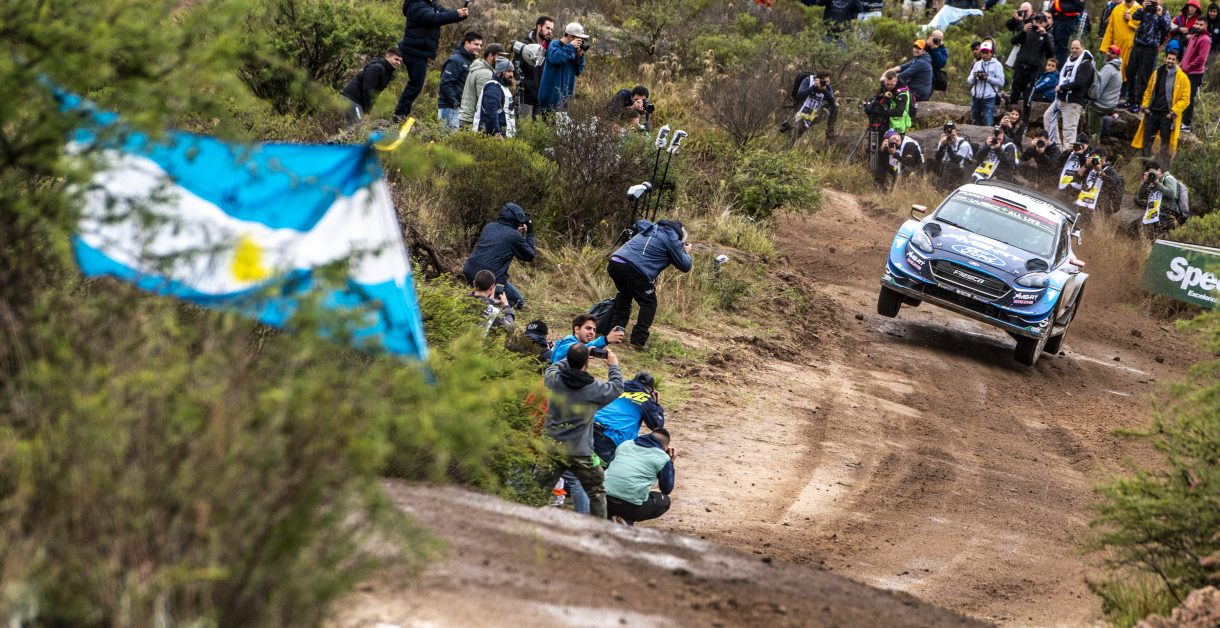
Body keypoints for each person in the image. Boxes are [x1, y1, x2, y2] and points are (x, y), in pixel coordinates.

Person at [539, 344, 624, 519]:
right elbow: (617, 387)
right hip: (581, 452)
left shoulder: (554, 381)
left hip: (552, 448)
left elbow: (552, 368)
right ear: (586, 362)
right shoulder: (595, 389)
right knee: (597, 492)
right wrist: (613, 365)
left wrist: (574, 357)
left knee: (537, 488)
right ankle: (598, 527)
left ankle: (520, 520)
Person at [606, 219, 693, 349]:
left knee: (625, 295)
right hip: (635, 269)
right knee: (649, 303)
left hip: (616, 262)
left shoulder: (651, 228)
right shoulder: (672, 238)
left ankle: (615, 332)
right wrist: (684, 251)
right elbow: (685, 266)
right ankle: (638, 340)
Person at [392, 0, 469, 121]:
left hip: (419, 52)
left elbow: (444, 14)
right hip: (413, 51)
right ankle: (399, 113)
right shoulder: (416, 4)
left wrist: (460, 15)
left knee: (416, 83)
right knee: (416, 84)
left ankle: (402, 113)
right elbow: (433, 18)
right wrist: (456, 14)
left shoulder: (431, 5)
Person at [462, 202, 536, 309]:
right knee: (519, 302)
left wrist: (515, 231)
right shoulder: (513, 235)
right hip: (490, 279)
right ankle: (492, 300)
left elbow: (502, 237)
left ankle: (479, 296)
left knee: (490, 281)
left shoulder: (489, 226)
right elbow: (530, 255)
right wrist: (530, 233)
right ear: (517, 220)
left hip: (470, 272)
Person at [1132, 48, 1191, 166]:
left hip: (1167, 116)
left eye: (1173, 59)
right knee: (1146, 142)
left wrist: (1172, 112)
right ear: (1165, 58)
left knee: (1165, 146)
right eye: (1169, 58)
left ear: (1177, 61)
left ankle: (1163, 169)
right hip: (1152, 113)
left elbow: (1185, 99)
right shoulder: (1157, 73)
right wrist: (1145, 106)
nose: (1170, 61)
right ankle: (1145, 168)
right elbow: (1148, 91)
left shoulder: (1183, 78)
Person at [605, 428, 676, 525]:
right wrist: (670, 462)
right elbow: (666, 489)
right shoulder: (663, 458)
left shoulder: (625, 444)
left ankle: (607, 517)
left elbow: (609, 466)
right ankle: (627, 519)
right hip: (630, 505)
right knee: (665, 501)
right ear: (666, 447)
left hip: (603, 497)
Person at [592, 371, 665, 463]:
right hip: (610, 437)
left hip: (587, 427)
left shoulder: (617, 389)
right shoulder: (646, 399)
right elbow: (657, 425)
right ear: (650, 390)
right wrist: (656, 405)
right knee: (607, 469)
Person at [1044, 40, 1095, 151]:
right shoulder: (1069, 61)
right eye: (1072, 48)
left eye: (1077, 48)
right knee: (1048, 117)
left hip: (1074, 101)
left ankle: (1067, 155)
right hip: (1061, 98)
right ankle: (1056, 148)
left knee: (1069, 131)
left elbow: (1080, 83)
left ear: (1082, 48)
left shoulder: (1086, 64)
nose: (1074, 50)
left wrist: (1062, 87)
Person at [1127, 0, 1173, 114]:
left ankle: (1139, 103)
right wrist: (1143, 9)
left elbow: (1167, 27)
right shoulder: (1145, 9)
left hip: (1151, 48)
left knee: (1145, 76)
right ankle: (1130, 100)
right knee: (1130, 72)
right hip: (1138, 44)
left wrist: (1160, 15)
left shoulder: (1164, 13)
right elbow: (1134, 17)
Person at [339, 46, 403, 126]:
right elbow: (368, 89)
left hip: (358, 101)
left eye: (400, 61)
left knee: (361, 127)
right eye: (396, 59)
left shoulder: (387, 71)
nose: (398, 63)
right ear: (388, 56)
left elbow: (375, 93)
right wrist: (367, 112)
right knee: (359, 128)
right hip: (351, 99)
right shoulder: (376, 68)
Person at [1010, 13, 1056, 115]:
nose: (1038, 24)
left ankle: (1024, 121)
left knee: (1027, 99)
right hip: (1020, 68)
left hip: (1032, 71)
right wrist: (1023, 31)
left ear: (1045, 24)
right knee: (1014, 95)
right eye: (1036, 22)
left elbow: (1051, 53)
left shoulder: (1048, 36)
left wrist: (1044, 35)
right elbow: (1013, 41)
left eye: (1041, 22)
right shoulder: (1027, 31)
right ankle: (1010, 119)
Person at [537, 22, 589, 113]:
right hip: (550, 99)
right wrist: (570, 47)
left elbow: (578, 71)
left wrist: (579, 57)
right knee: (547, 122)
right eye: (579, 39)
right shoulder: (554, 44)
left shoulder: (572, 50)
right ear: (570, 36)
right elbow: (555, 58)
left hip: (564, 100)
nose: (581, 42)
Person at [437, 33, 482, 130]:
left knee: (454, 138)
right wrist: (455, 104)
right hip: (449, 108)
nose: (479, 47)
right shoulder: (456, 60)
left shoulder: (468, 61)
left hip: (458, 109)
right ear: (467, 43)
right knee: (446, 137)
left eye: (480, 45)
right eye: (476, 44)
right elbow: (445, 84)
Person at [1101, 0, 1140, 102]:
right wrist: (1105, 47)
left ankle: (1126, 96)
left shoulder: (1139, 10)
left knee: (1130, 72)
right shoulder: (1117, 9)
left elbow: (1143, 28)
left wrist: (1131, 20)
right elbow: (1110, 29)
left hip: (1133, 48)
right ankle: (1115, 95)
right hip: (1117, 49)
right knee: (1116, 70)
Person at [458, 44, 503, 130]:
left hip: (467, 118)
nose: (502, 60)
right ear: (491, 56)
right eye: (500, 56)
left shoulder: (480, 68)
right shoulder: (485, 74)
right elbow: (485, 102)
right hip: (472, 121)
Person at [516, 16, 553, 120]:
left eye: (551, 29)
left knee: (540, 128)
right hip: (526, 98)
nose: (550, 31)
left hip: (543, 99)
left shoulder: (550, 47)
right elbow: (516, 67)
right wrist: (526, 85)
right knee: (524, 127)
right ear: (539, 27)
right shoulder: (525, 45)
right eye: (547, 28)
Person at [552, 313, 625, 365]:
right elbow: (576, 350)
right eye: (588, 328)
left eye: (594, 330)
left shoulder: (579, 345)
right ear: (577, 329)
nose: (592, 332)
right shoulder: (566, 344)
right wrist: (606, 339)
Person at [1069, 148, 1125, 214]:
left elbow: (1112, 184)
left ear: (1103, 158)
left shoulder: (1110, 170)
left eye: (1095, 158)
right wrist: (1086, 165)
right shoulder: (1090, 168)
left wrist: (1100, 171)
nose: (1094, 160)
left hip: (1097, 207)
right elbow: (1077, 178)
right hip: (1083, 202)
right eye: (1092, 158)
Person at [1087, 46, 1124, 145]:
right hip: (1110, 105)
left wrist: (1088, 97)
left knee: (1093, 134)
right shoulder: (1118, 69)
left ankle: (1093, 150)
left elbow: (1098, 88)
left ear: (1117, 56)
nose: (1108, 54)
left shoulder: (1109, 68)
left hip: (1101, 106)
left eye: (1112, 53)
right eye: (1108, 51)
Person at [788, 71, 838, 142]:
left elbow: (832, 101)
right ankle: (790, 125)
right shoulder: (808, 80)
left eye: (828, 81)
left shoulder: (827, 85)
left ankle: (830, 134)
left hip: (816, 112)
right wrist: (813, 87)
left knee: (836, 106)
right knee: (794, 137)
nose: (825, 83)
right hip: (802, 110)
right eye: (823, 81)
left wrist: (824, 90)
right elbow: (799, 96)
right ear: (817, 79)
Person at [1180, 23, 1211, 131]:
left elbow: (1202, 58)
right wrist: (1181, 65)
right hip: (1185, 71)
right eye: (1197, 23)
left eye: (1201, 25)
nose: (1197, 26)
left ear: (1205, 27)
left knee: (1189, 97)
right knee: (1182, 95)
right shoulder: (1194, 36)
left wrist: (1188, 67)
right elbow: (1187, 53)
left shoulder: (1205, 39)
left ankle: (1186, 124)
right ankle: (1179, 119)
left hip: (1194, 73)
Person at [968, 40, 1005, 126]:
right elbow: (969, 80)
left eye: (986, 52)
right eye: (982, 52)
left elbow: (1001, 82)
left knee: (988, 121)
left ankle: (989, 134)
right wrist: (974, 77)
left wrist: (988, 78)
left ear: (991, 53)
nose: (984, 55)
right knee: (974, 120)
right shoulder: (977, 64)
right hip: (976, 96)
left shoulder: (997, 65)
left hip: (989, 97)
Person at [477, 58, 516, 137]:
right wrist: (496, 133)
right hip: (491, 138)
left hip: (504, 136)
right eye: (508, 71)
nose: (512, 75)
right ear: (499, 73)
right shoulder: (493, 87)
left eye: (512, 71)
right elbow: (491, 112)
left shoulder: (503, 87)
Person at [468, 269, 515, 334]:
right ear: (492, 287)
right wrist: (506, 306)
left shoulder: (460, 298)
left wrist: (490, 301)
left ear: (474, 283)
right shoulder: (493, 312)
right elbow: (510, 328)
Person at [934, 121, 975, 191]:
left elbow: (956, 161)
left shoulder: (964, 144)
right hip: (947, 167)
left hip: (962, 170)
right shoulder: (942, 142)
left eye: (953, 135)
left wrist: (949, 147)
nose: (951, 137)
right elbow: (937, 159)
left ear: (956, 132)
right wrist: (942, 146)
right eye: (949, 135)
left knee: (949, 164)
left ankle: (941, 190)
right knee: (929, 162)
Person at [1049, 0, 1086, 66]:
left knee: (1062, 49)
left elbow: (1080, 6)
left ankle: (1061, 68)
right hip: (1057, 21)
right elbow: (1053, 7)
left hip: (1067, 22)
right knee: (1055, 47)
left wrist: (1060, 8)